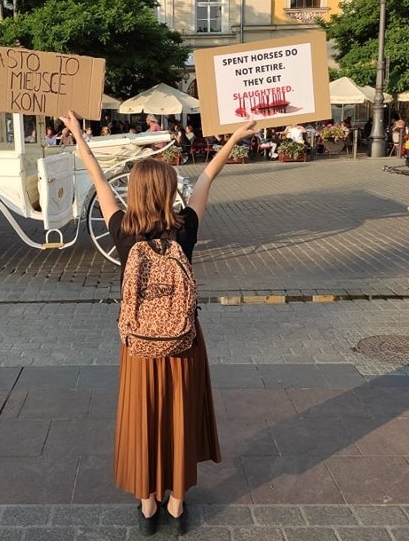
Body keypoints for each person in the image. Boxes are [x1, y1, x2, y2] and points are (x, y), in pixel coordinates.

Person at [60, 109, 256, 537]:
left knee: (144, 415)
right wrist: (236, 136)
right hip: (184, 340)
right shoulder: (184, 227)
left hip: (139, 342)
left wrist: (78, 133)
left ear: (133, 191)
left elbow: (96, 178)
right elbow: (207, 178)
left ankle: (147, 504)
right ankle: (178, 501)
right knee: (180, 415)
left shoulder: (122, 229)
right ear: (170, 191)